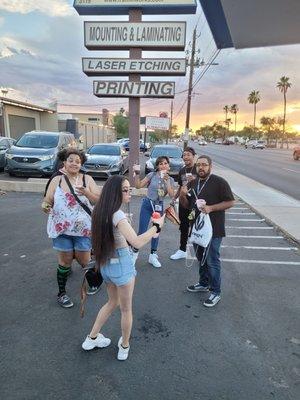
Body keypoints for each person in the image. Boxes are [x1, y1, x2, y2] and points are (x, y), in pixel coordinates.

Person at [82, 175, 165, 361]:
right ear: (115, 193)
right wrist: (156, 228)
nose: (129, 193)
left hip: (105, 266)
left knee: (112, 302)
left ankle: (92, 338)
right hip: (121, 264)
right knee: (126, 310)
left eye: (129, 189)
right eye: (125, 190)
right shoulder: (117, 214)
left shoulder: (99, 211)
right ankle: (124, 345)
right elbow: (136, 241)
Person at [42, 148, 102, 308]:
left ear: (81, 164)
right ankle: (61, 293)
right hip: (62, 230)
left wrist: (87, 193)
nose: (74, 163)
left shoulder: (87, 179)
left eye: (77, 161)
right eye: (71, 160)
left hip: (83, 230)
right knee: (65, 261)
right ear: (64, 163)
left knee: (84, 261)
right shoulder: (57, 180)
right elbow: (47, 199)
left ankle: (96, 280)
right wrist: (46, 206)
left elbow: (98, 201)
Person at [180, 155, 235, 307]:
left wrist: (211, 208)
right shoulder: (193, 182)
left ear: (210, 166)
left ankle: (216, 292)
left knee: (212, 260)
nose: (201, 168)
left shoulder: (219, 182)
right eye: (199, 165)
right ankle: (203, 283)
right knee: (200, 257)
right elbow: (186, 205)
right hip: (197, 228)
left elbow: (231, 202)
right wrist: (182, 195)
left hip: (214, 229)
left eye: (204, 165)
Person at [133, 156, 175, 268]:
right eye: (160, 164)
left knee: (156, 231)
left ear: (169, 166)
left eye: (165, 163)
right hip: (147, 204)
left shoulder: (171, 180)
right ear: (157, 166)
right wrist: (136, 173)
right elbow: (138, 186)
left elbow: (172, 195)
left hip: (159, 206)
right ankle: (134, 254)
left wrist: (167, 182)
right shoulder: (151, 175)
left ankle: (153, 255)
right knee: (142, 230)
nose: (163, 165)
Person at [170, 146, 197, 260]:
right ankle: (182, 250)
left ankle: (201, 251)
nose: (186, 157)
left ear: (193, 156)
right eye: (184, 155)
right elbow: (180, 186)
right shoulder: (182, 170)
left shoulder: (198, 169)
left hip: (195, 203)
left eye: (188, 155)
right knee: (184, 226)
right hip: (183, 201)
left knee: (196, 226)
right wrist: (174, 198)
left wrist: (194, 181)